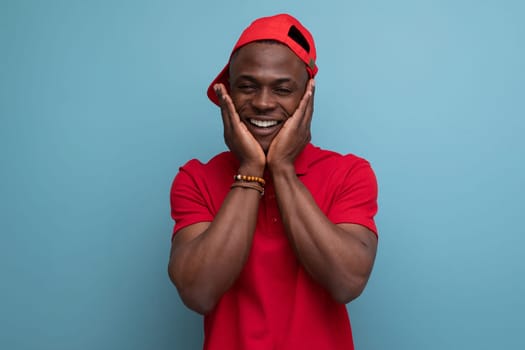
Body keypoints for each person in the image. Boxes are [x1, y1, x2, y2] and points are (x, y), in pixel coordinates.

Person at [168, 13, 378, 350]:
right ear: (228, 94)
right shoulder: (196, 179)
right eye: (247, 86)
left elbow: (347, 282)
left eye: (282, 89)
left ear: (307, 96)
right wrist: (251, 167)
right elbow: (198, 292)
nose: (263, 103)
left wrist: (281, 169)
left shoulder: (350, 174)